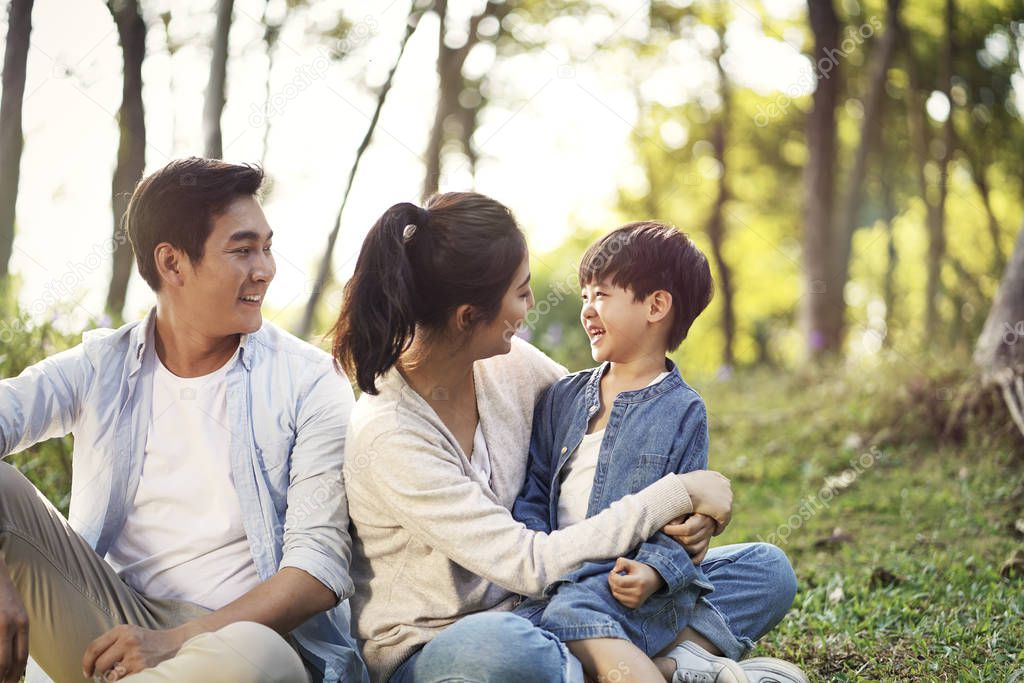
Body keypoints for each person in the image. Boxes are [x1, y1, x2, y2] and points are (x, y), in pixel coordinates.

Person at [334, 192, 758, 683]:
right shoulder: (390, 433)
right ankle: (646, 666)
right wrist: (677, 494)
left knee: (762, 570)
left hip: (560, 598)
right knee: (513, 652)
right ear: (469, 315)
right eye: (521, 291)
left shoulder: (509, 364)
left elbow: (603, 421)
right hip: (451, 642)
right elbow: (531, 561)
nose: (532, 305)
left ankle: (639, 663)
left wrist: (683, 536)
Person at [0, 158, 367, 683]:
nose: (265, 268)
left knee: (260, 656)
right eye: (243, 250)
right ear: (172, 264)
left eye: (266, 246)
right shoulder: (100, 365)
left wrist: (172, 644)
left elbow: (317, 572)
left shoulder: (309, 381)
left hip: (235, 642)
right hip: (111, 634)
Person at [512, 222, 809, 683]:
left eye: (602, 295)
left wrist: (653, 572)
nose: (587, 310)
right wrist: (542, 567)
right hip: (562, 585)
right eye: (585, 295)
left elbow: (683, 525)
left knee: (769, 569)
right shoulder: (562, 398)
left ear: (656, 305)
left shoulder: (683, 410)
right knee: (566, 607)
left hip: (637, 593)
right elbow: (533, 492)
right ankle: (671, 668)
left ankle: (616, 661)